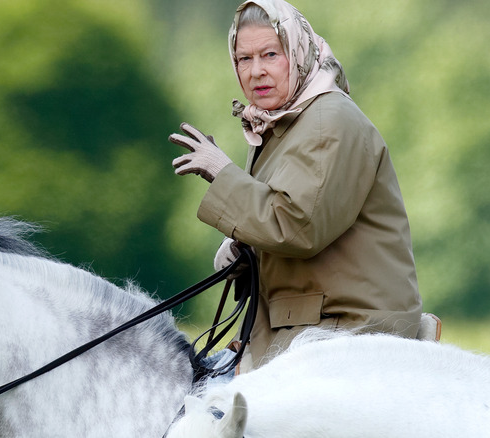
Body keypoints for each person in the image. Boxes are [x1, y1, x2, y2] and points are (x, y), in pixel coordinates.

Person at [169, 0, 422, 370]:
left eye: (270, 54)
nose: (256, 71)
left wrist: (222, 172)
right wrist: (246, 252)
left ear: (297, 52)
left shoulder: (327, 120)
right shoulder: (286, 123)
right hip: (307, 329)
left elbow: (297, 227)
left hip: (351, 333)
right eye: (244, 59)